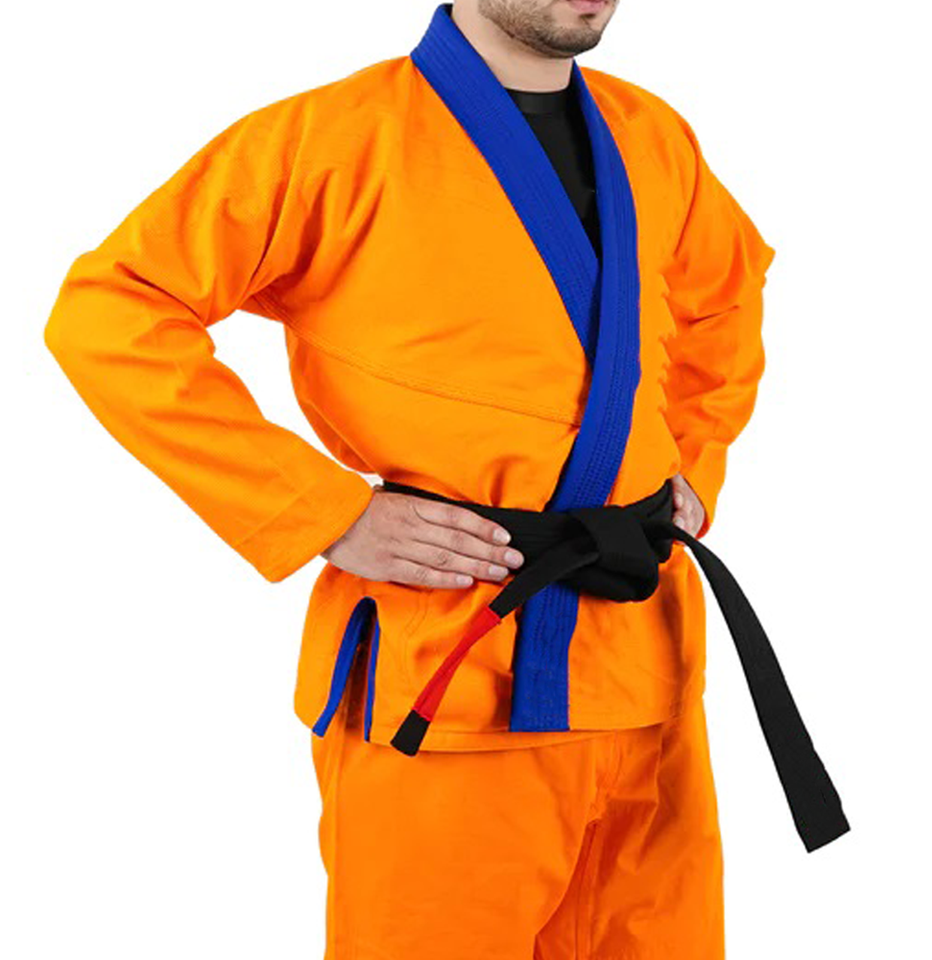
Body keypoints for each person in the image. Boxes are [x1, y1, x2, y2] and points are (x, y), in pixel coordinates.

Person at [43, 1, 849, 956]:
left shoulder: (652, 135)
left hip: (645, 666)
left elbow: (726, 296)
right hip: (453, 674)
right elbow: (109, 313)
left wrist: (692, 461)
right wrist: (323, 512)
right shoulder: (334, 140)